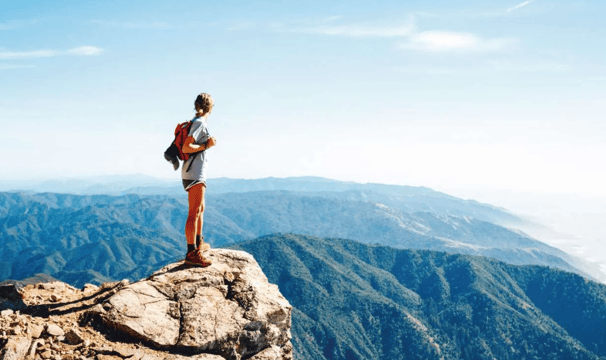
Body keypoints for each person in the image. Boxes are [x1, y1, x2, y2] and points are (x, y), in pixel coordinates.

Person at [181, 93, 217, 267]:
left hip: (194, 172)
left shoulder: (197, 122)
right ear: (210, 107)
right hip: (194, 173)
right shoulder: (199, 123)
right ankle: (191, 252)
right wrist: (206, 145)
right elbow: (186, 146)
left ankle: (198, 243)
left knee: (200, 208)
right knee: (194, 212)